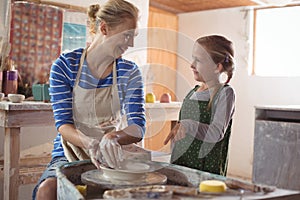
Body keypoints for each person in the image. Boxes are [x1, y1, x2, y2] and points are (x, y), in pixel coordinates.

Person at [33, 0, 146, 199]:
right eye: (127, 35)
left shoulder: (130, 71)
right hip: (68, 155)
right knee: (48, 190)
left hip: (112, 156)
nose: (131, 44)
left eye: (133, 36)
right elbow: (63, 125)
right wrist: (90, 143)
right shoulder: (65, 65)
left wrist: (114, 137)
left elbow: (138, 127)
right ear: (104, 28)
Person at [164, 35, 235, 176]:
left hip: (205, 170)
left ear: (217, 67)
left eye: (198, 60)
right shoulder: (192, 92)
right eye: (193, 58)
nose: (191, 65)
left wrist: (188, 125)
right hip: (181, 164)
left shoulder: (225, 94)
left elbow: (216, 133)